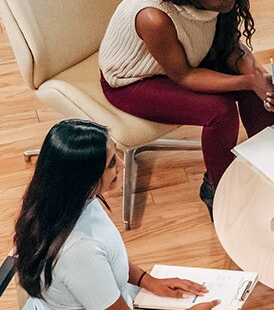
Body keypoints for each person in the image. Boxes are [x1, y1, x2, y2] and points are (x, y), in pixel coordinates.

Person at [98, 0, 274, 217]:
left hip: (187, 58)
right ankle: (218, 188)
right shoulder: (154, 17)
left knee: (255, 85)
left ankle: (272, 162)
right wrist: (249, 80)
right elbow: (184, 76)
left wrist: (260, 78)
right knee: (219, 111)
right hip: (133, 80)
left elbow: (227, 46)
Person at [14, 119, 220, 310]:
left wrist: (147, 280)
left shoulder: (64, 201)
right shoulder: (78, 251)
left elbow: (109, 257)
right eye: (112, 162)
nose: (122, 164)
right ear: (85, 178)